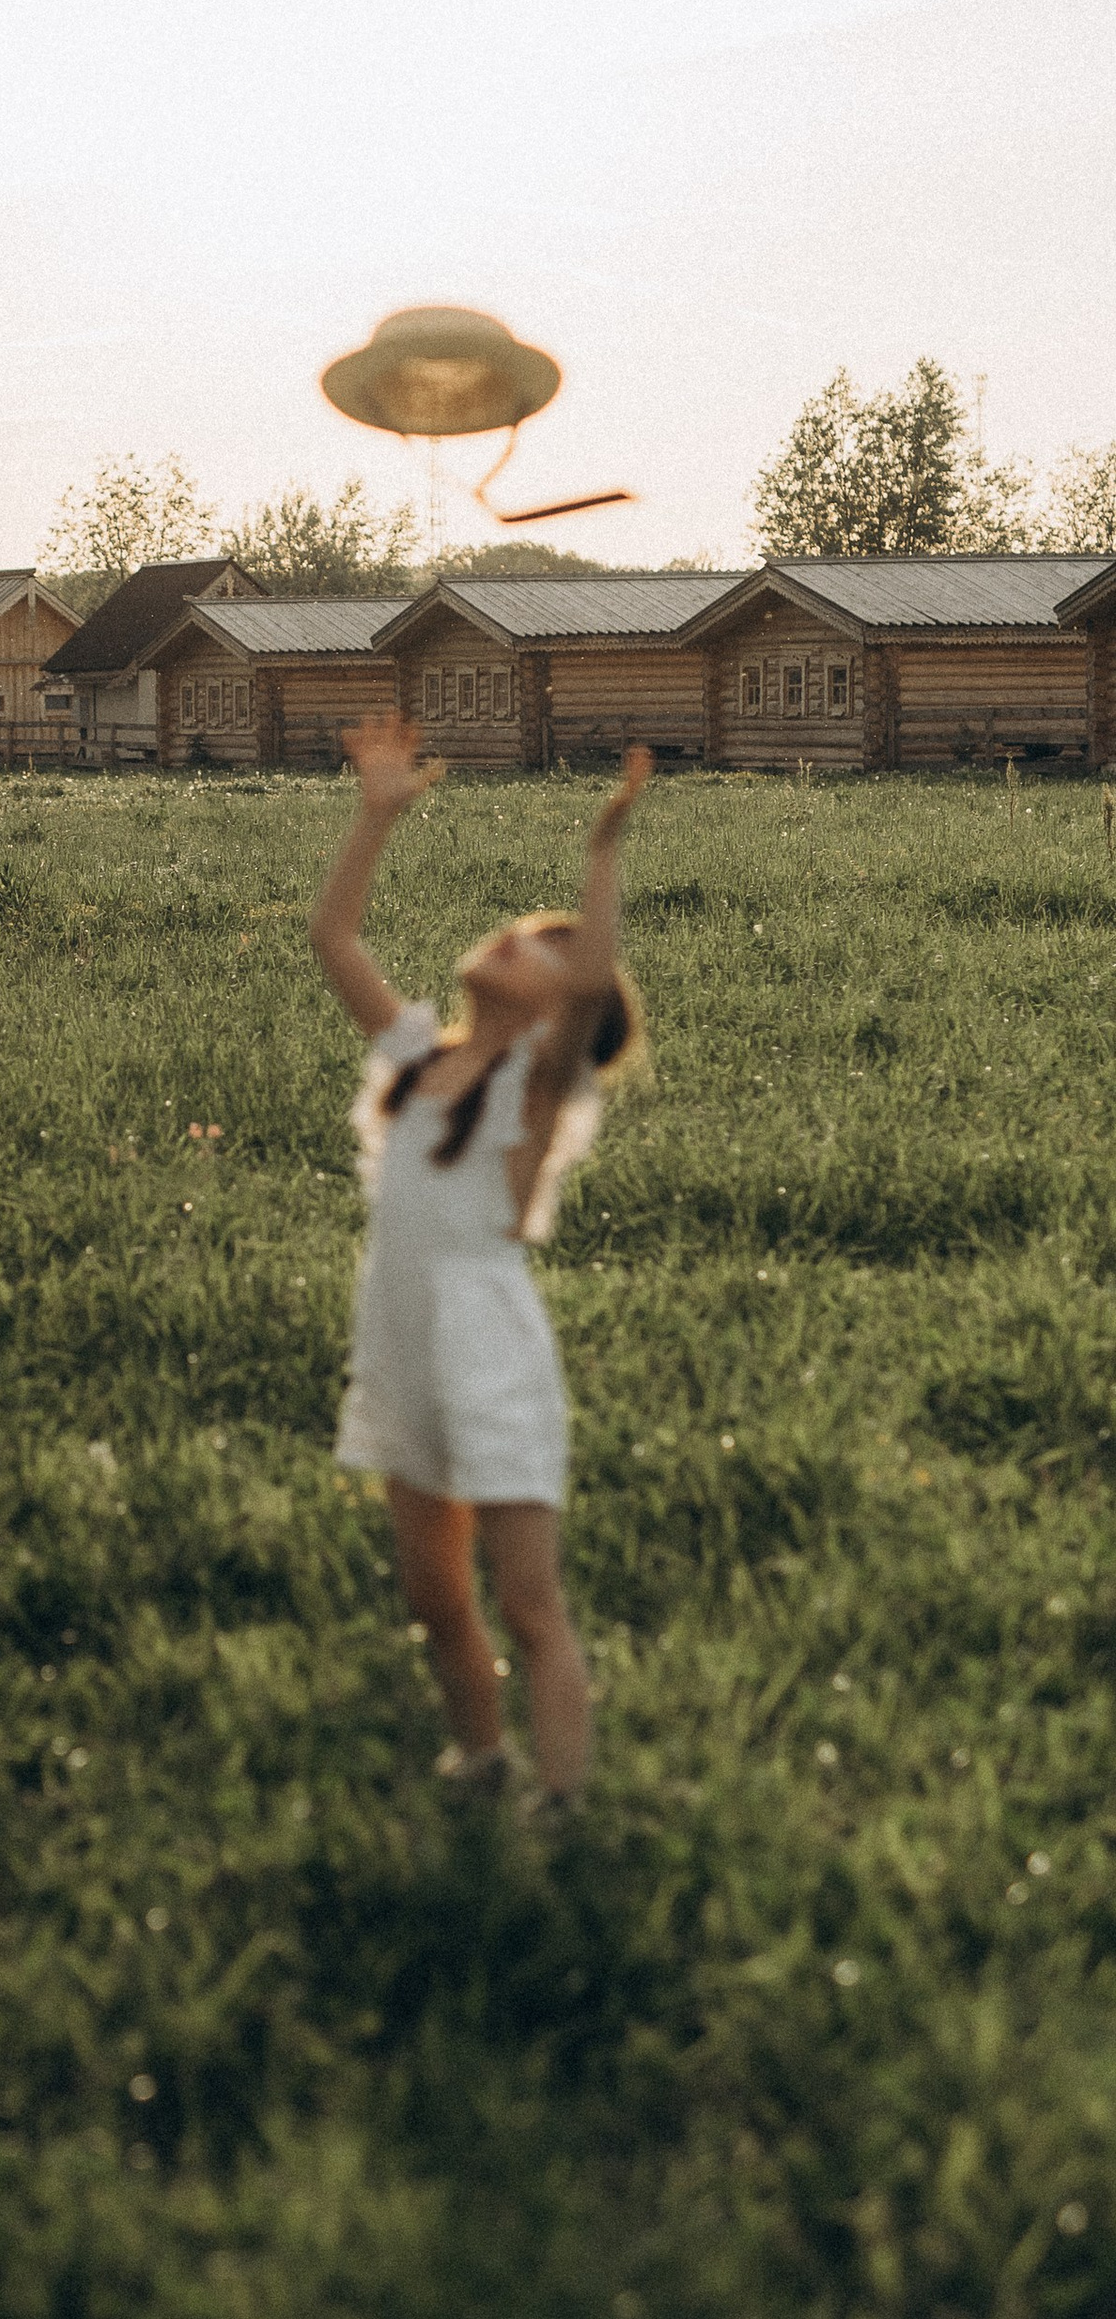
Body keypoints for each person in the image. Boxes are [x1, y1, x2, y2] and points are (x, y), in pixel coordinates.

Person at [306, 719, 652, 1805]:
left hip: (489, 1354)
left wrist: (601, 851)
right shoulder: (420, 1056)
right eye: (519, 925)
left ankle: (563, 1799)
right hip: (400, 1337)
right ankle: (480, 1752)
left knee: (526, 1597)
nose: (514, 936)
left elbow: (592, 983)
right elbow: (333, 937)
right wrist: (375, 815)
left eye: (539, 942)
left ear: (560, 1009)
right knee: (431, 1592)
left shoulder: (533, 1092)